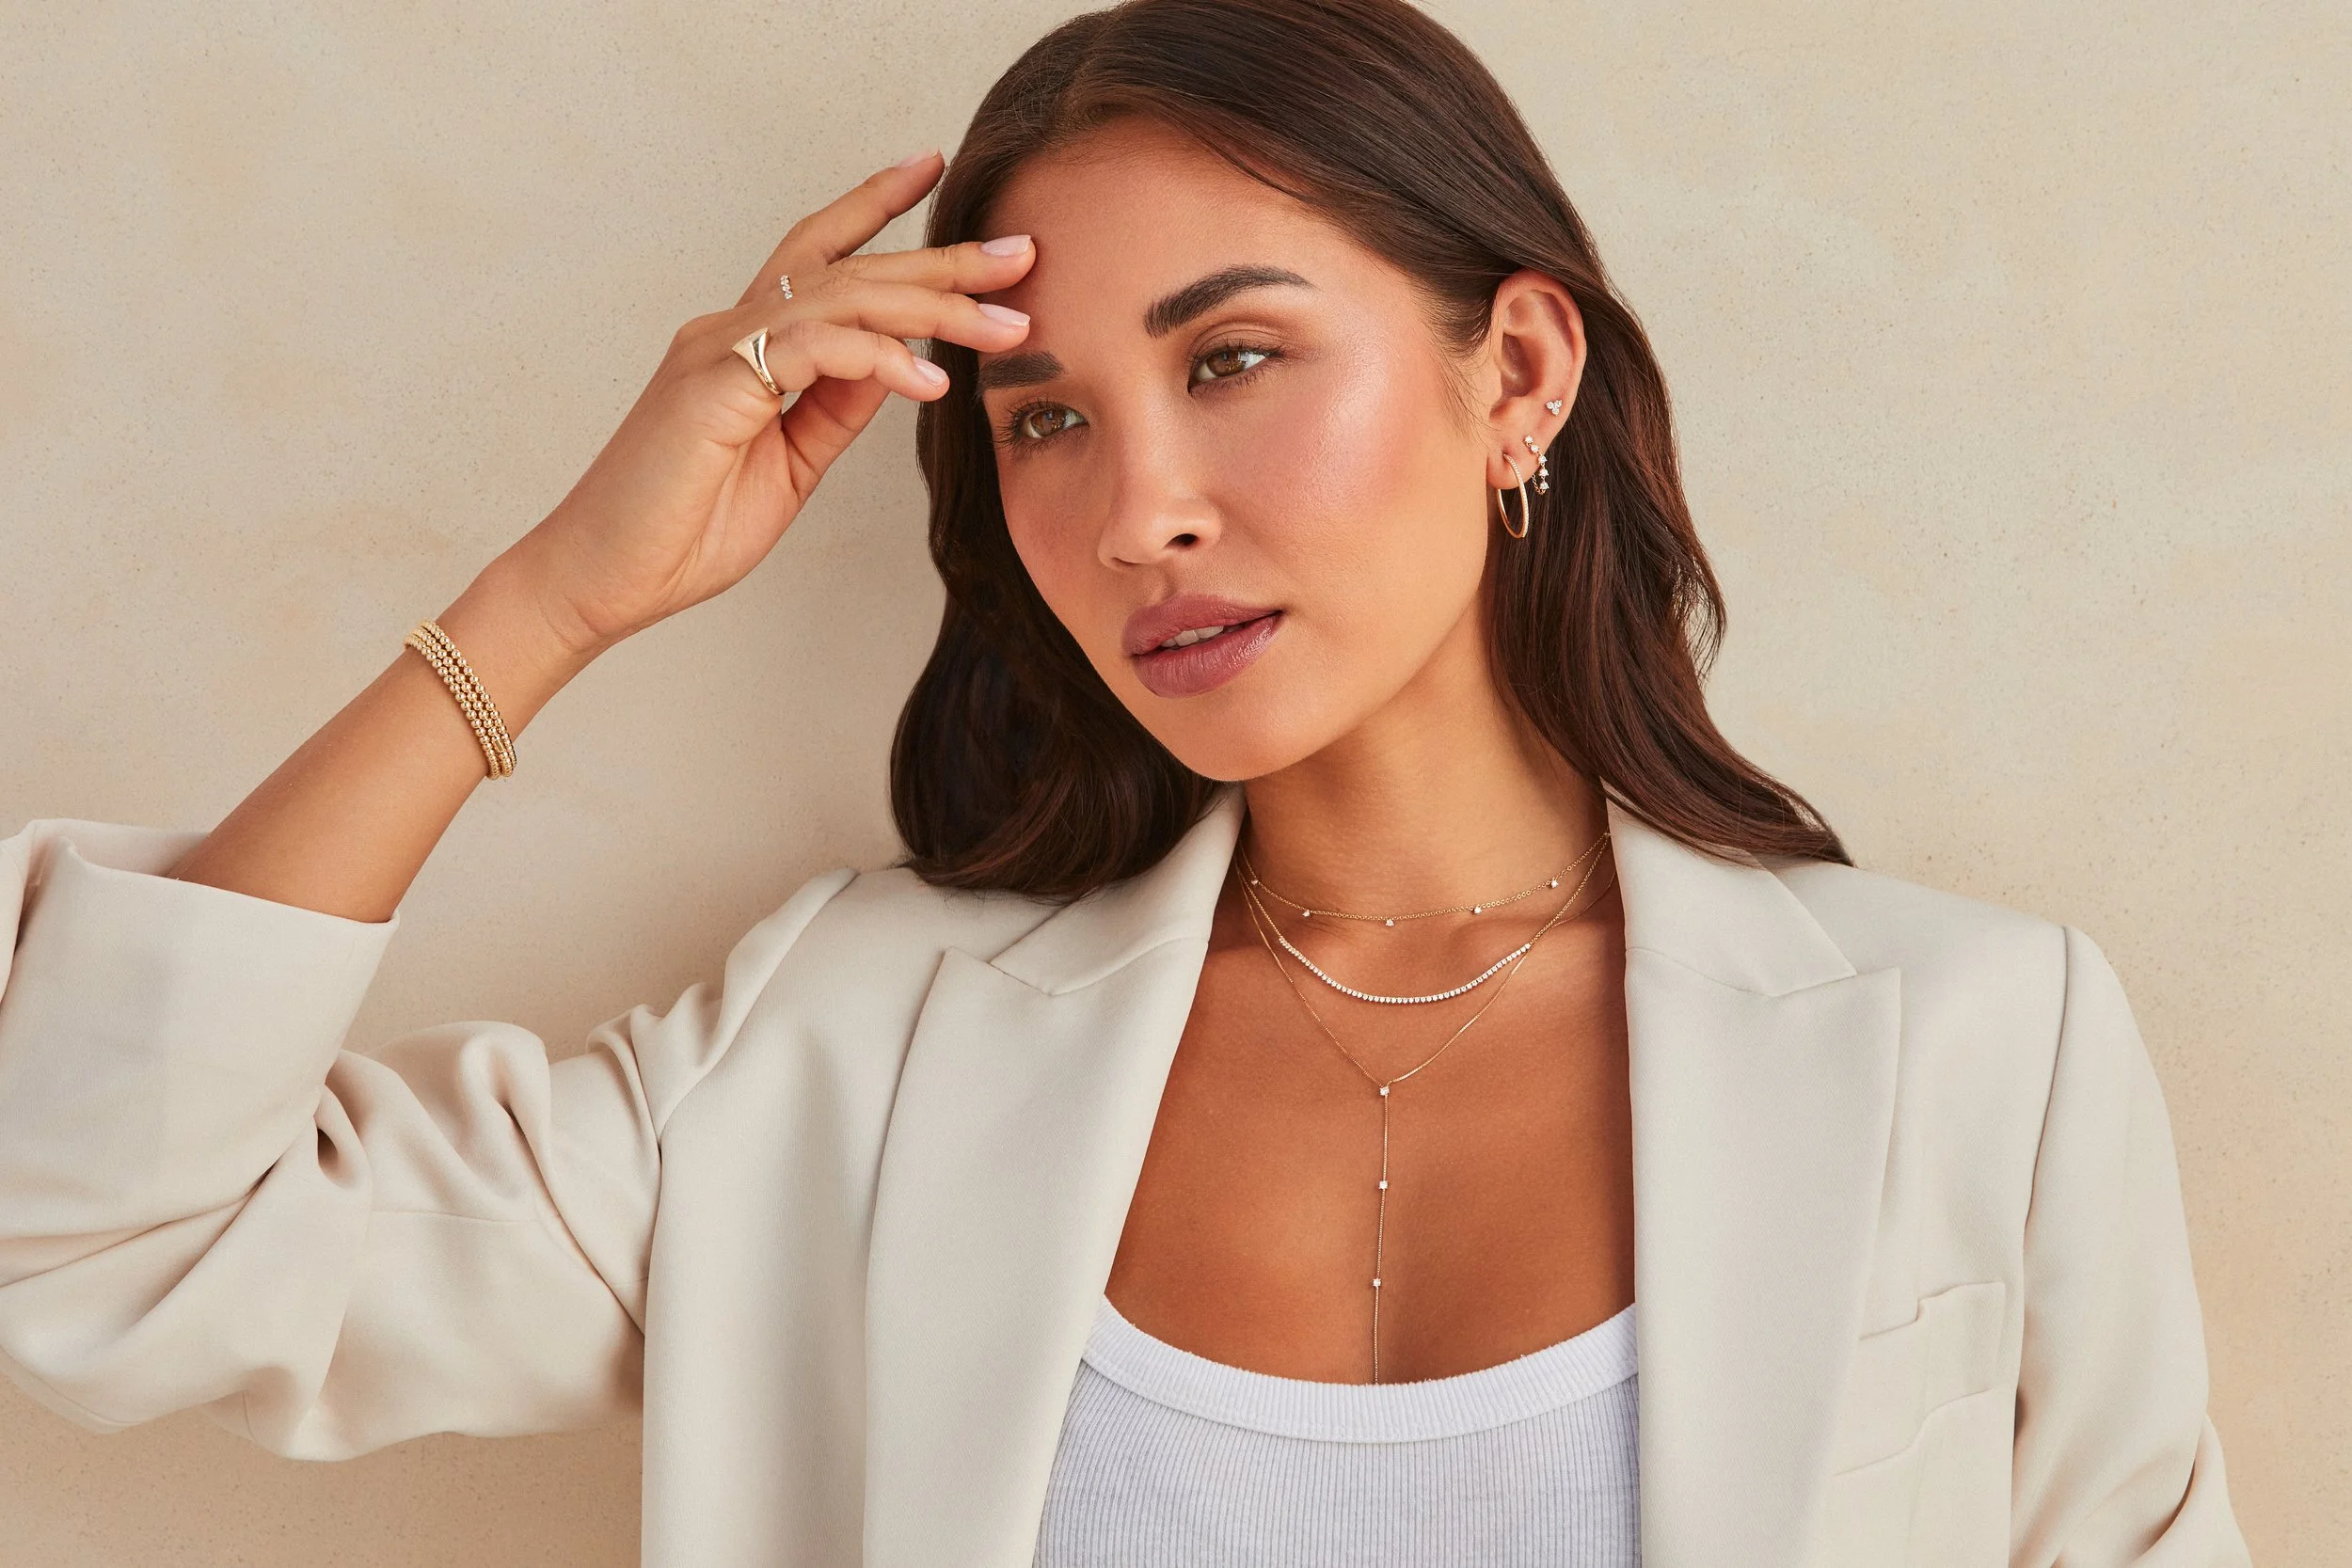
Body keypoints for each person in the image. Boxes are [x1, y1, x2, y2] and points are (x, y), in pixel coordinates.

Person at [0, 0, 2249, 1563]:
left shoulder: (1974, 1040)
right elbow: (112, 1229)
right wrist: (552, 598)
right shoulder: (848, 1043)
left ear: (1517, 369)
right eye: (1045, 414)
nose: (1136, 506)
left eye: (1236, 356)